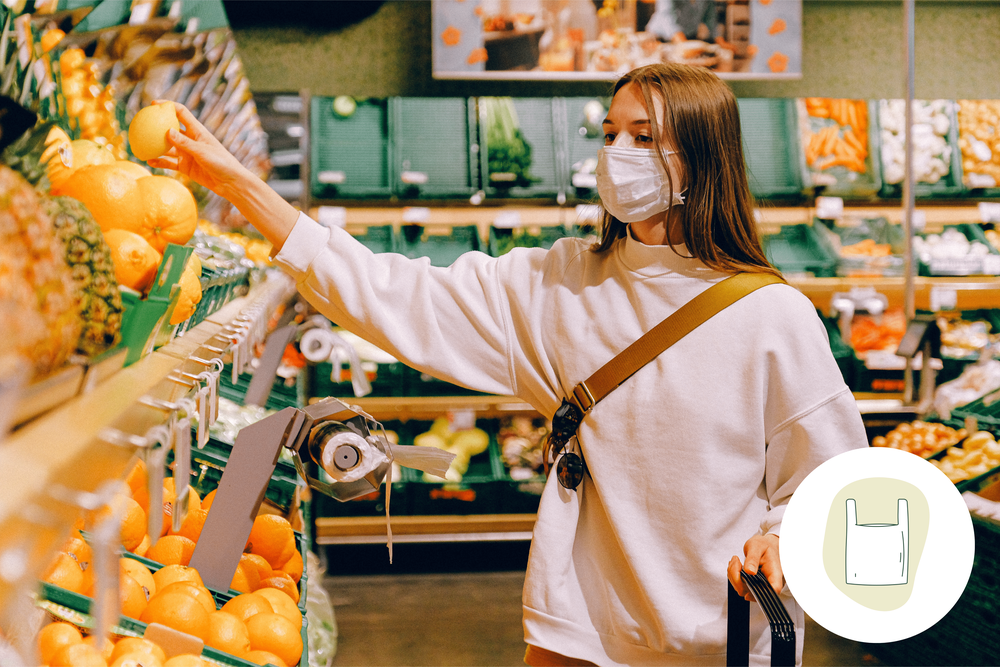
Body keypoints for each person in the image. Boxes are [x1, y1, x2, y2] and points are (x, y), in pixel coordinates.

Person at [151, 63, 867, 666]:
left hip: (723, 639)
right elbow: (391, 291)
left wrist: (783, 536)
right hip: (579, 634)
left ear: (704, 158)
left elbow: (830, 479)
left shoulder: (770, 316)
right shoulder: (561, 284)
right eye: (610, 132)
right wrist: (240, 185)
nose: (616, 152)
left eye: (644, 138)